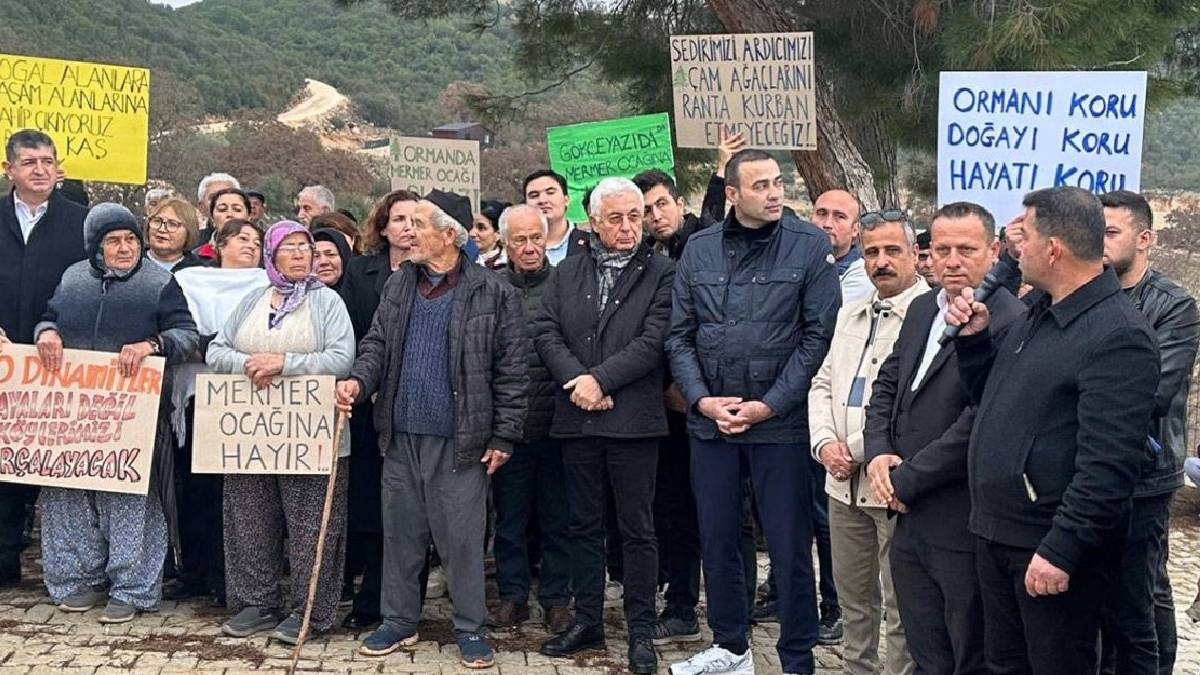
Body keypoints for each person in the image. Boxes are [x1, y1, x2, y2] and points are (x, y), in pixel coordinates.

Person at [945, 186, 1160, 674]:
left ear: (1054, 248)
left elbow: (1109, 466)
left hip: (1047, 553)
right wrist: (976, 344)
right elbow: (995, 405)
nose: (1015, 247)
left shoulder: (1118, 335)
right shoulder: (1036, 315)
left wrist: (1062, 548)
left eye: (1024, 235)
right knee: (1004, 666)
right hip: (997, 535)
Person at [336, 191, 529, 670]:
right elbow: (377, 342)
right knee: (400, 533)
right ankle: (399, 621)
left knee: (461, 540)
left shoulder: (492, 291)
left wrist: (504, 436)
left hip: (460, 440)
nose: (408, 231)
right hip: (400, 435)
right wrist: (359, 382)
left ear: (448, 235)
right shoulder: (401, 284)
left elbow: (513, 371)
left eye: (419, 223)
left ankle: (470, 628)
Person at [667, 149, 841, 675]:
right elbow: (680, 337)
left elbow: (818, 338)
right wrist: (701, 400)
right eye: (761, 185)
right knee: (718, 536)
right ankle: (731, 645)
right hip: (712, 422)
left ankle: (796, 655)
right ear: (733, 193)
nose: (774, 193)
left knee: (789, 544)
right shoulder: (698, 250)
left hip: (780, 425)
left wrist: (769, 405)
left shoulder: (810, 245)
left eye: (778, 183)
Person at [863, 202, 1025, 675]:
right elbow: (887, 386)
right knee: (925, 646)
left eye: (966, 249)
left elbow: (980, 418)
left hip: (959, 519)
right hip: (908, 521)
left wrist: (906, 481)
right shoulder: (919, 308)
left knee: (967, 652)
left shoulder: (1010, 319)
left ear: (993, 251)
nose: (952, 260)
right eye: (942, 248)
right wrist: (878, 453)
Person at [533, 177, 675, 675]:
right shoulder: (568, 271)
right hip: (577, 416)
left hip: (632, 420)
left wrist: (600, 379)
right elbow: (546, 330)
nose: (627, 227)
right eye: (615, 218)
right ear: (592, 221)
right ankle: (588, 618)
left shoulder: (662, 272)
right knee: (583, 526)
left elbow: (655, 339)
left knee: (637, 529)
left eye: (634, 216)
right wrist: (577, 380)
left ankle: (641, 628)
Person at [34, 203, 198, 623]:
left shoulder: (158, 283)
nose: (125, 248)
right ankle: (77, 579)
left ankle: (131, 587)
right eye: (113, 241)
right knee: (67, 496)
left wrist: (151, 345)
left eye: (130, 239)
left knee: (129, 501)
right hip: (70, 412)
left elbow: (187, 335)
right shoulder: (72, 279)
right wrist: (46, 332)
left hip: (133, 416)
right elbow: (48, 317)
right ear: (96, 247)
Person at [206, 221, 355, 643]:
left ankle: (310, 610)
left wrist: (285, 363)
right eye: (288, 248)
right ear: (271, 256)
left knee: (312, 525)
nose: (299, 255)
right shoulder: (253, 298)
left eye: (304, 248)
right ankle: (255, 602)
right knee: (248, 518)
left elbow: (343, 357)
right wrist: (251, 364)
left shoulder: (328, 303)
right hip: (252, 435)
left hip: (311, 434)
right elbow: (217, 350)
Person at [631, 165, 751, 647]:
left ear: (678, 203)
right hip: (665, 410)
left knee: (730, 512)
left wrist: (725, 171)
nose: (655, 216)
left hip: (713, 400)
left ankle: (738, 613)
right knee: (676, 508)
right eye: (644, 211)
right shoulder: (642, 261)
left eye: (661, 204)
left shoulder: (706, 245)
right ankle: (681, 605)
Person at [809, 211, 925, 675]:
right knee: (854, 600)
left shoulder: (928, 315)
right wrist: (823, 444)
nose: (881, 261)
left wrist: (853, 450)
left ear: (915, 254)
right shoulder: (850, 312)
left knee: (901, 607)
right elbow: (822, 381)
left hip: (889, 483)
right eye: (872, 251)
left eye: (893, 250)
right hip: (840, 485)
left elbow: (909, 404)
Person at [1098, 190, 1200, 675]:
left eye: (1111, 232)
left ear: (1145, 239)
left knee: (1144, 589)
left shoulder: (1174, 307)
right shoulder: (1085, 293)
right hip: (1091, 465)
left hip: (1147, 470)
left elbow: (1152, 392)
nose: (1100, 242)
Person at [0, 129, 88, 584]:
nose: (40, 170)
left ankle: (66, 567)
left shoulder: (81, 222)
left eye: (48, 161)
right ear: (8, 169)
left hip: (61, 363)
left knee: (50, 462)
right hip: (3, 361)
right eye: (30, 162)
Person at [166, 219, 267, 607]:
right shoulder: (191, 280)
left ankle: (229, 577)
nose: (250, 246)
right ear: (218, 245)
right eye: (242, 239)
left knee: (237, 493)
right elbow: (180, 329)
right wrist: (214, 348)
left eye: (257, 242)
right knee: (195, 488)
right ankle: (194, 571)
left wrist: (215, 348)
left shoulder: (268, 286)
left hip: (247, 399)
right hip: (196, 396)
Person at [487, 204, 574, 635]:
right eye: (519, 239)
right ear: (504, 244)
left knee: (559, 519)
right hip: (511, 429)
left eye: (535, 238)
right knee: (511, 520)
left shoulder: (565, 285)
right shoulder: (490, 288)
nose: (528, 247)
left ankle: (557, 600)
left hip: (558, 425)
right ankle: (513, 596)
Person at [337, 189, 420, 629]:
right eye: (399, 218)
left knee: (409, 508)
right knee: (371, 504)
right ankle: (369, 600)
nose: (408, 226)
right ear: (383, 227)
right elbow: (352, 330)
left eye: (415, 218)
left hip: (416, 405)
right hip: (368, 405)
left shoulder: (434, 270)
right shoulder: (360, 271)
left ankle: (407, 600)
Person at [812, 189, 873, 304]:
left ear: (855, 229)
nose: (827, 224)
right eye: (821, 214)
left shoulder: (861, 275)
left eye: (839, 216)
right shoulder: (793, 261)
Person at [523, 170, 587, 265]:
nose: (542, 200)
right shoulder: (518, 248)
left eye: (550, 193)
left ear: (566, 200)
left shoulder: (590, 243)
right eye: (534, 195)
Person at [144, 196, 205, 272]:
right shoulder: (132, 262)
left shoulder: (199, 272)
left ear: (189, 231)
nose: (162, 229)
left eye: (172, 224)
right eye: (157, 221)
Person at [195, 189, 252, 260]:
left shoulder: (264, 254)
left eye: (237, 209)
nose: (229, 214)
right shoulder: (195, 258)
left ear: (249, 217)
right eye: (222, 209)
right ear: (212, 218)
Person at [193, 172, 240, 253]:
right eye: (213, 197)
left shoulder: (262, 245)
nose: (221, 202)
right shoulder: (191, 245)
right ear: (201, 207)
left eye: (228, 195)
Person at [471, 200, 510, 269]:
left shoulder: (510, 265)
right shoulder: (462, 263)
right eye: (470, 226)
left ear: (498, 234)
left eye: (481, 228)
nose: (472, 233)